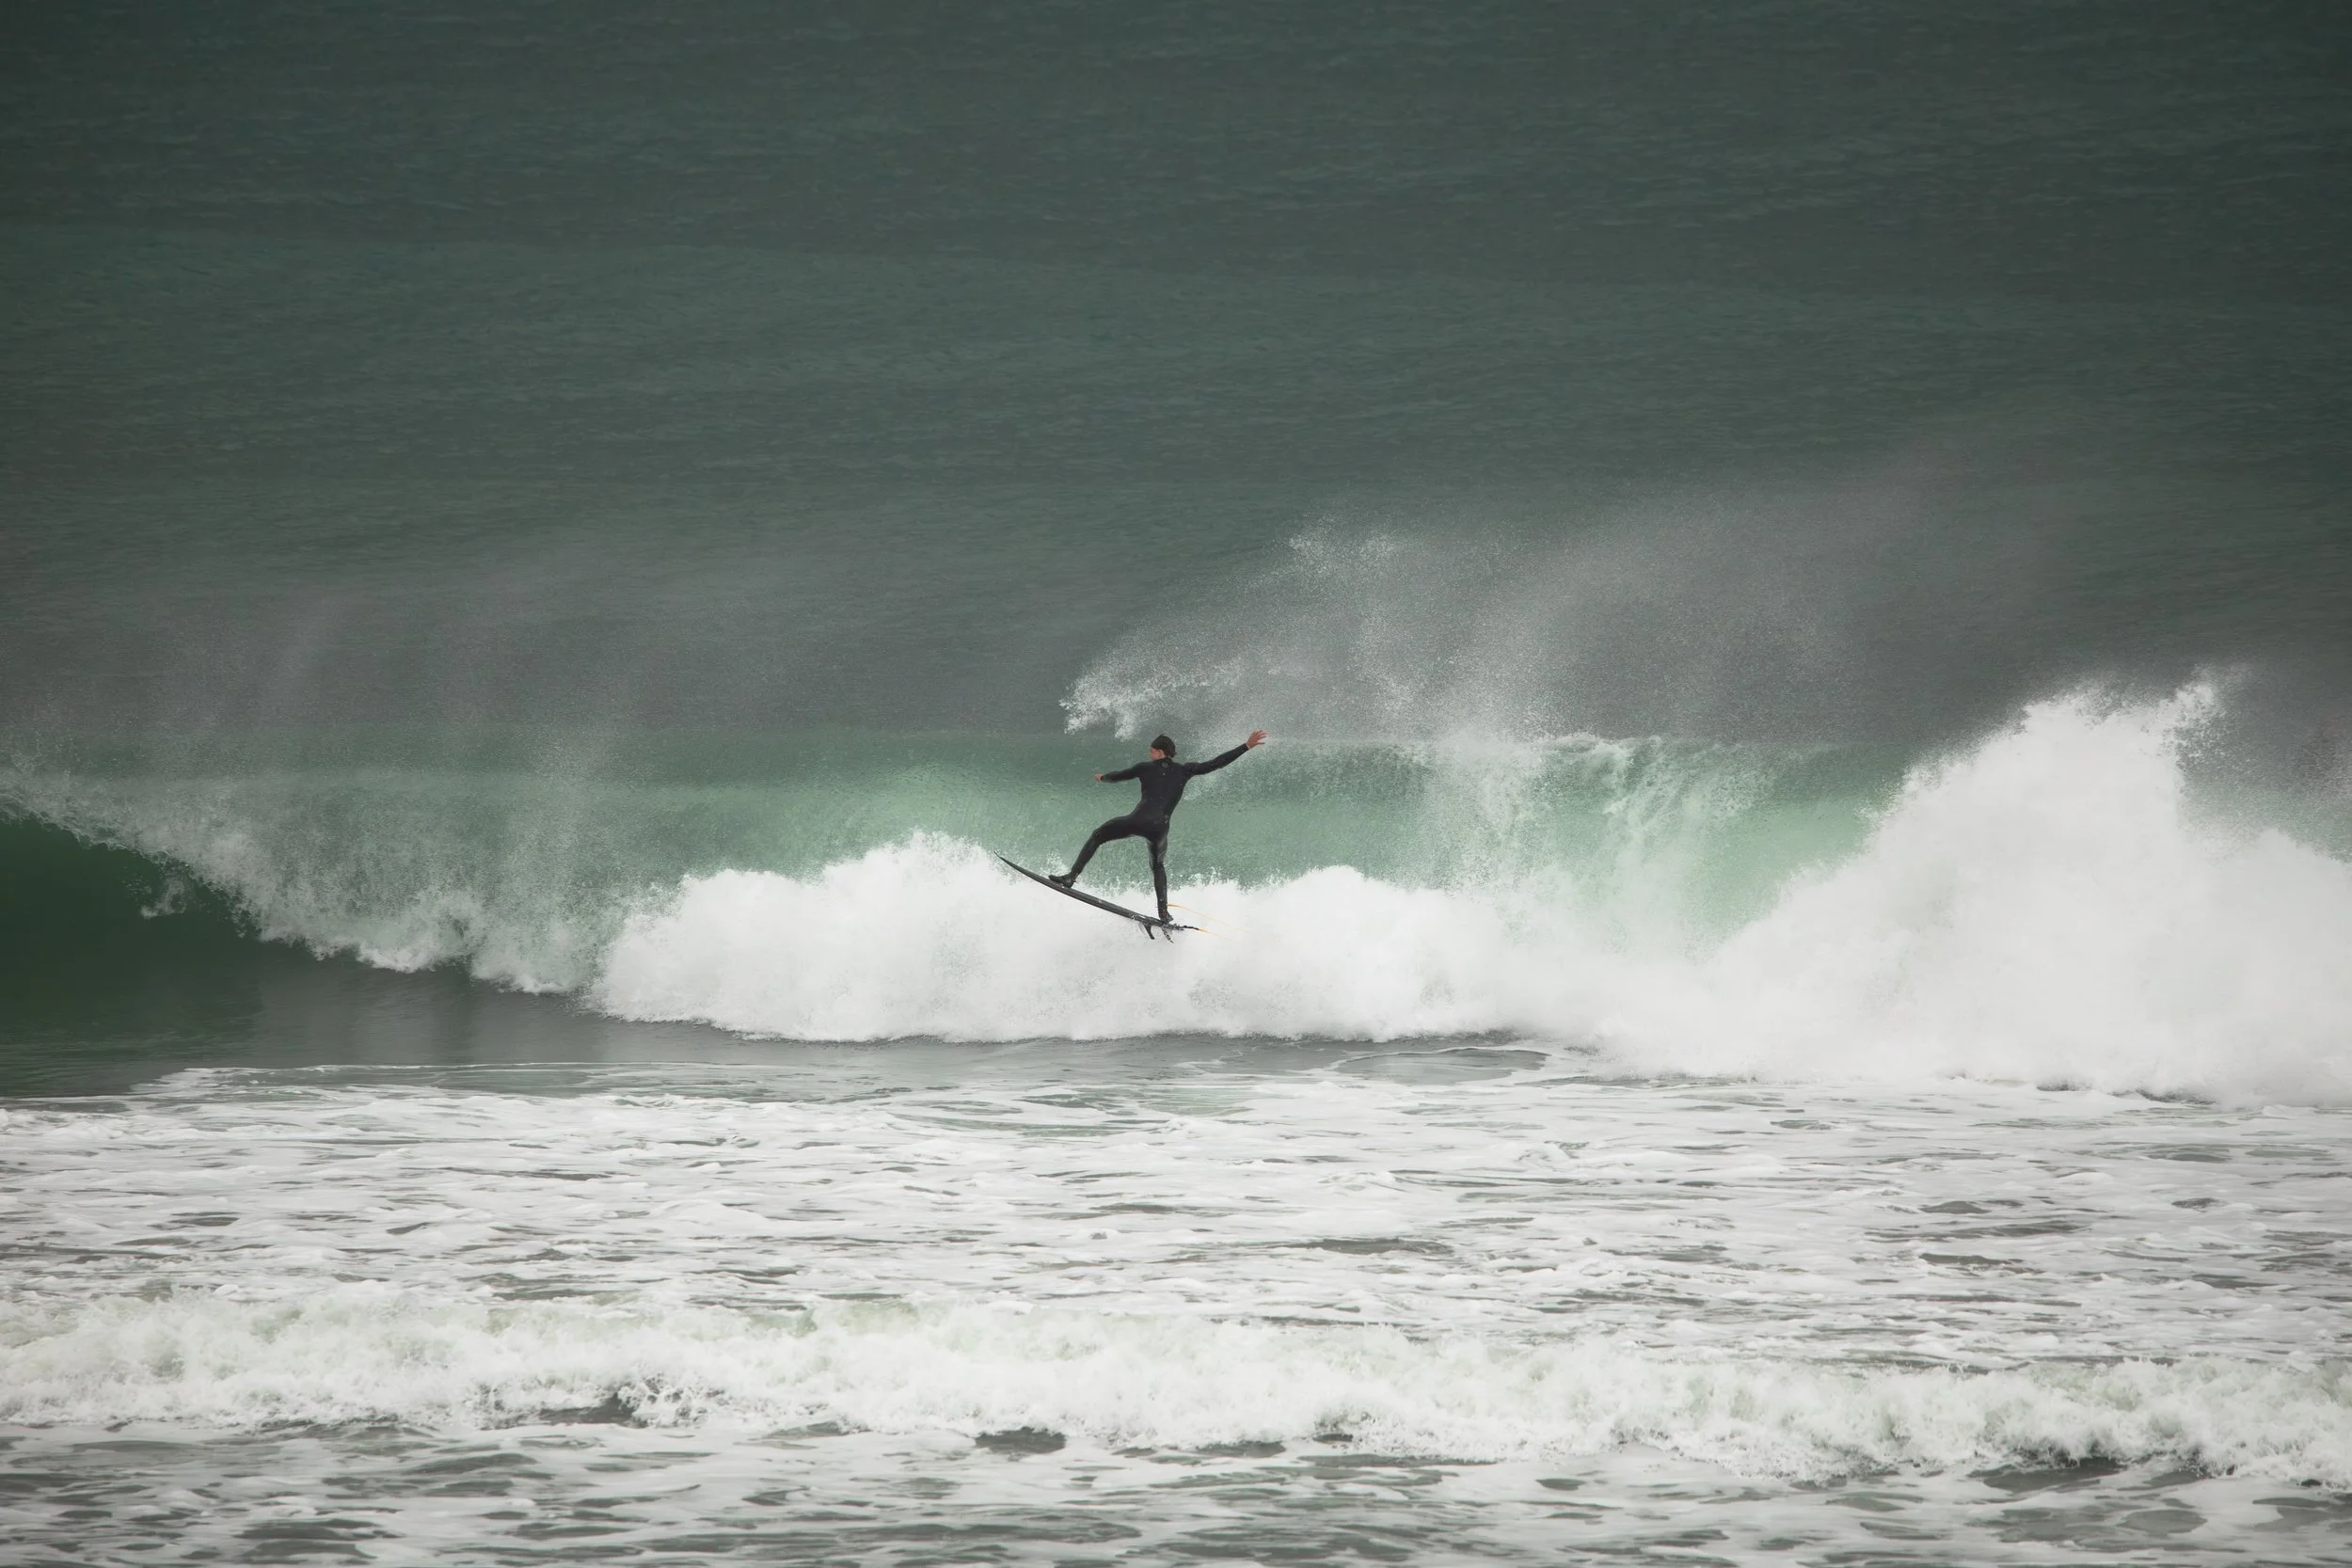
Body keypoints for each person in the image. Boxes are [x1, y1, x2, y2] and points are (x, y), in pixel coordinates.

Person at [1055, 730, 1269, 921]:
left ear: (1159, 752)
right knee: (1157, 866)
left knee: (1097, 836)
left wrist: (1103, 778)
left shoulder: (1144, 768)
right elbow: (1215, 763)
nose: (1150, 755)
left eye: (1152, 751)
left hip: (1136, 821)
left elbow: (1118, 777)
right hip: (1159, 829)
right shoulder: (1186, 771)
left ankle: (1071, 877)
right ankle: (1163, 912)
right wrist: (1246, 746)